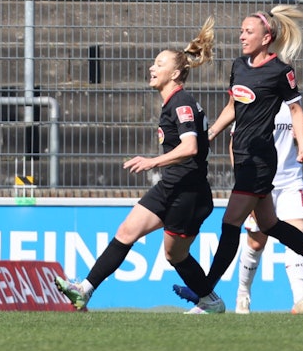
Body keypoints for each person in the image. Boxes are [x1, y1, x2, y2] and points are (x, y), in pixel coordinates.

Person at [179, 6, 303, 314]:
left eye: (248, 32)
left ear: (267, 38)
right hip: (242, 158)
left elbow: (296, 111)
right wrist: (210, 133)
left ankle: (204, 291)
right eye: (241, 31)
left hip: (261, 162)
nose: (241, 36)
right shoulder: (239, 66)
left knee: (230, 225)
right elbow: (232, 106)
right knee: (270, 224)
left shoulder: (281, 71)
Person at [54, 18, 216, 312]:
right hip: (172, 185)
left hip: (189, 192)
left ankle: (210, 300)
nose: (152, 68)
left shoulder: (181, 102)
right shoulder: (171, 103)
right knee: (126, 231)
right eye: (154, 63)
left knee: (175, 255)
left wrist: (153, 160)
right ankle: (84, 290)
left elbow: (190, 147)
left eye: (159, 63)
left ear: (176, 73)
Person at [234, 102, 303, 314]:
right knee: (256, 243)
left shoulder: (293, 107)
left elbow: (300, 135)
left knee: (296, 237)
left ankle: (300, 300)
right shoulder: (252, 102)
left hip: (291, 181)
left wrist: (302, 145)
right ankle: (243, 294)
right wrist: (243, 179)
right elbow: (235, 144)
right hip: (260, 181)